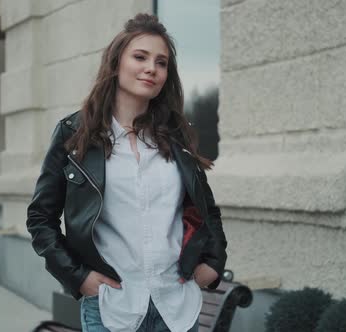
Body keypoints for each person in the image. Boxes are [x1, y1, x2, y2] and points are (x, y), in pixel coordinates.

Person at [26, 13, 227, 332]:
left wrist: (214, 263)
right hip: (112, 309)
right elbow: (41, 218)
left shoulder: (176, 137)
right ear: (116, 62)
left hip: (176, 309)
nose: (152, 68)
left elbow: (207, 211)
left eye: (161, 62)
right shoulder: (73, 135)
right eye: (140, 57)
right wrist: (79, 278)